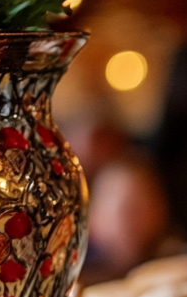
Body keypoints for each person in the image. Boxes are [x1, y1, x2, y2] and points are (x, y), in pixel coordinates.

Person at [64, 119, 171, 284]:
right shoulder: (69, 277)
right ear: (93, 217)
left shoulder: (176, 265)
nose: (132, 220)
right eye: (123, 209)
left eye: (141, 208)